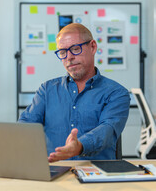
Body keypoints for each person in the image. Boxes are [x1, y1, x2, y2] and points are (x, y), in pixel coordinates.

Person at [19, 23, 130, 162]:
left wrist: (80, 146)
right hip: (54, 170)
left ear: (93, 47)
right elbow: (26, 125)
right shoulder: (47, 90)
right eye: (63, 52)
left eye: (75, 49)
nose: (69, 57)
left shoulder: (116, 93)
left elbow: (107, 130)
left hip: (97, 174)